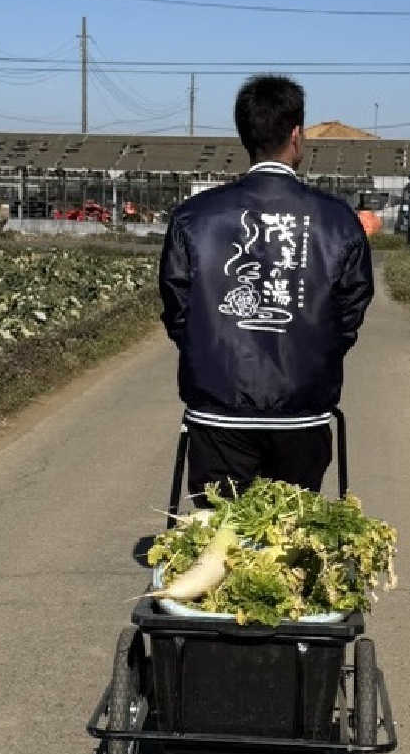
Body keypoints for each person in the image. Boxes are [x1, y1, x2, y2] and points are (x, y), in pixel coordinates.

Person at [159, 74, 374, 503]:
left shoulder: (193, 218)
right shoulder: (337, 220)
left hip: (217, 408)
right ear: (296, 135)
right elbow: (350, 311)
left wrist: (205, 348)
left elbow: (177, 307)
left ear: (246, 135)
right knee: (291, 536)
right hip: (303, 410)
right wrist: (315, 352)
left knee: (217, 537)